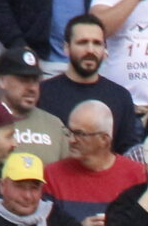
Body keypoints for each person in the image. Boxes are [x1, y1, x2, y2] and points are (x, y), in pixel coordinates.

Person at [38, 13, 141, 154]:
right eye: (83, 42)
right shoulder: (43, 93)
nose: (90, 50)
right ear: (66, 48)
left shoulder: (120, 97)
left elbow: (128, 152)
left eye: (97, 43)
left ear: (105, 49)